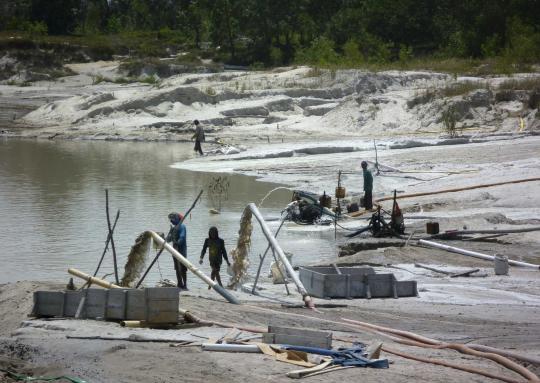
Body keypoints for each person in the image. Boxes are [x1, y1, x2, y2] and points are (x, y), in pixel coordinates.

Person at [167, 212, 188, 289]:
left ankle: (185, 284)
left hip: (182, 251)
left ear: (177, 219)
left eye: (173, 219)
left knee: (183, 268)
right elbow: (168, 239)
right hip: (174, 251)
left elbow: (182, 237)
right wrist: (169, 234)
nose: (171, 221)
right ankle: (180, 283)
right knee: (177, 268)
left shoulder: (182, 227)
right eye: (171, 219)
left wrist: (177, 242)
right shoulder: (173, 229)